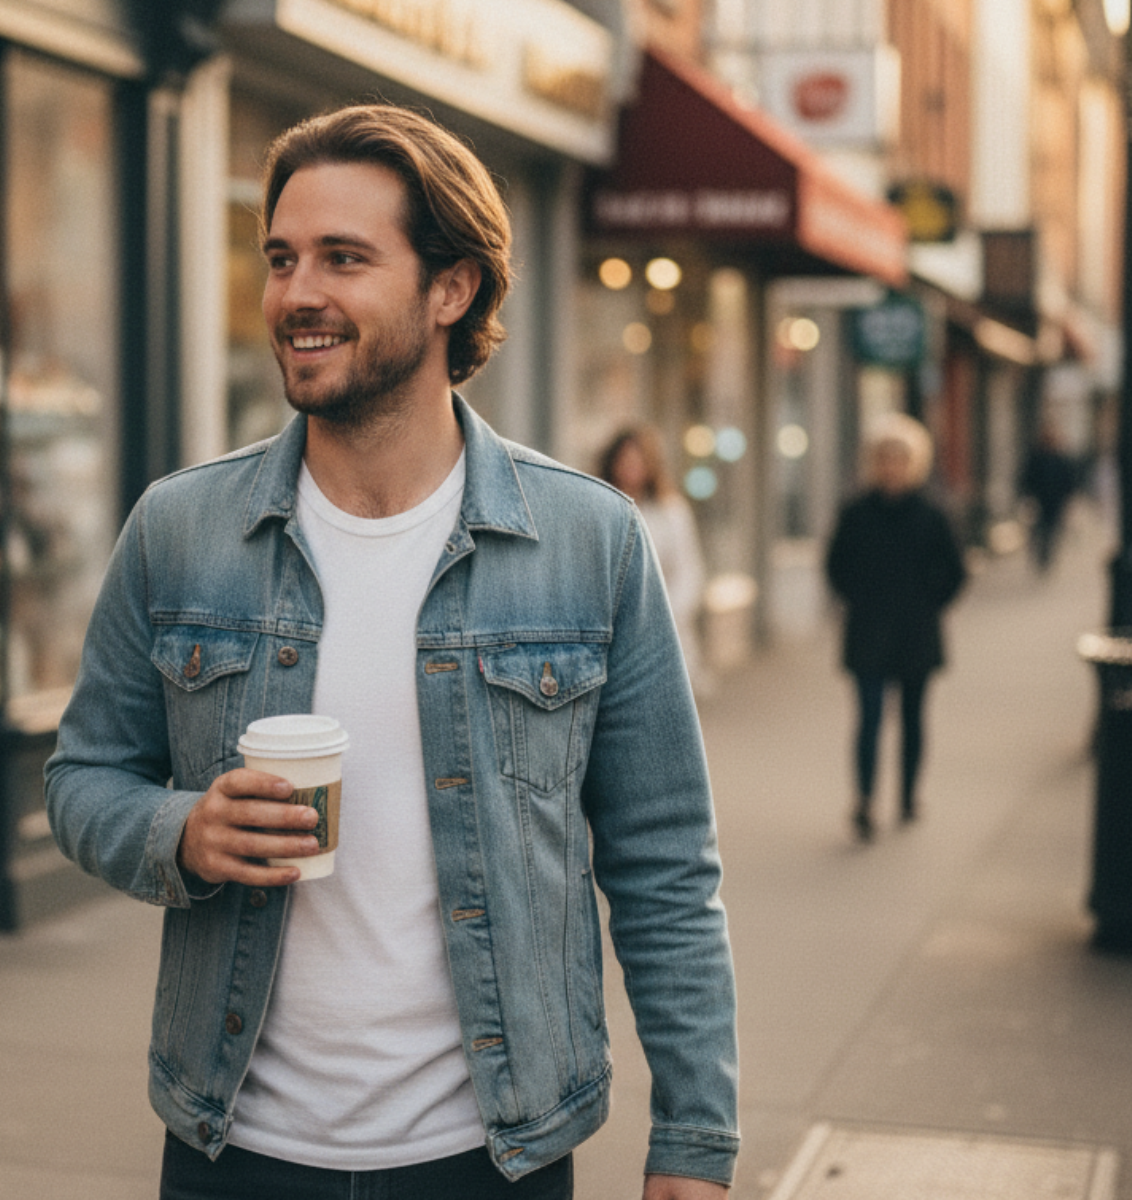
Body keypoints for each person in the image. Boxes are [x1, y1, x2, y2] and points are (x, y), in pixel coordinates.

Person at [46, 105, 738, 1200]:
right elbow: (81, 779)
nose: (295, 293)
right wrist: (182, 830)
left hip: (490, 1156)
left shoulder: (588, 542)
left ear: (449, 288)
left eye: (343, 258)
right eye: (281, 258)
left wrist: (694, 1143)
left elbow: (664, 864)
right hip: (235, 1152)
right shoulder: (179, 531)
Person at [826, 413, 966, 842]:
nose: (891, 467)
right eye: (884, 459)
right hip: (869, 632)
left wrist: (929, 603)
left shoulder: (932, 514)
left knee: (912, 719)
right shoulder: (855, 513)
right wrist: (858, 600)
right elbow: (835, 566)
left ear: (913, 463)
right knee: (868, 719)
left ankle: (907, 795)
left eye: (900, 459)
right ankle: (865, 800)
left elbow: (956, 571)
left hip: (915, 634)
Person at [599, 426, 709, 695]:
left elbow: (690, 572)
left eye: (637, 462)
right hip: (608, 634)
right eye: (624, 462)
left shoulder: (671, 511)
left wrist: (661, 617)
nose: (631, 468)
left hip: (663, 634)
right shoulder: (597, 509)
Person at [1018, 421, 1079, 573]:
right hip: (1040, 500)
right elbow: (1027, 478)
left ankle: (1046, 556)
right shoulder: (1036, 457)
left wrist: (1068, 500)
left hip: (1056, 501)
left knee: (1052, 530)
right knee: (1039, 530)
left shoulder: (1061, 458)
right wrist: (1028, 497)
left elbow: (1069, 480)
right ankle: (1040, 555)